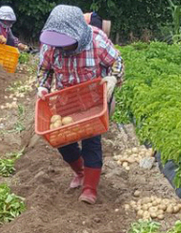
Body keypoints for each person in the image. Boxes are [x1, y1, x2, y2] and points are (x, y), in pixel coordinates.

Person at [37, 5, 124, 205]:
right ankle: (80, 171)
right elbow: (45, 69)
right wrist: (42, 87)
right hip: (67, 100)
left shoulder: (96, 40)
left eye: (66, 43)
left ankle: (90, 188)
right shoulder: (51, 46)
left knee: (91, 142)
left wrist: (113, 77)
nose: (62, 48)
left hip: (93, 102)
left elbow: (117, 61)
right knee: (63, 140)